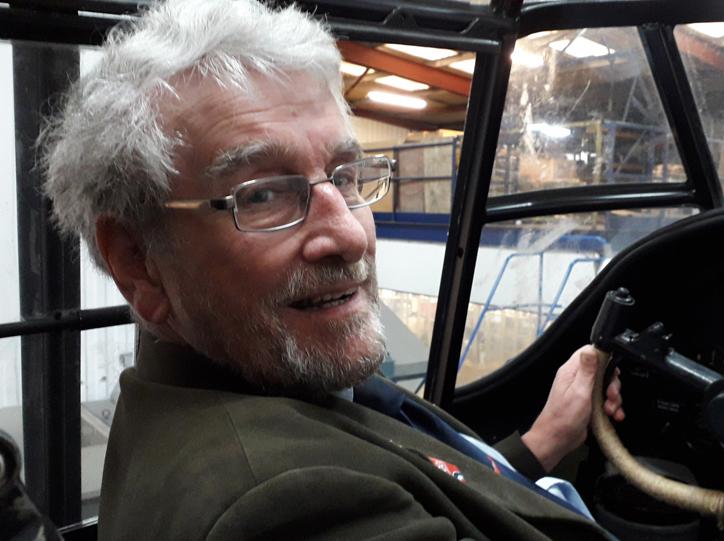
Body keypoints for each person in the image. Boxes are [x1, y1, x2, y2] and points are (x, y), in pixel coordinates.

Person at [40, 0, 624, 539]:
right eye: (263, 194)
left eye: (344, 176)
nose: (349, 233)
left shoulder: (255, 383)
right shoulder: (294, 507)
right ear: (138, 262)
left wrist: (542, 443)